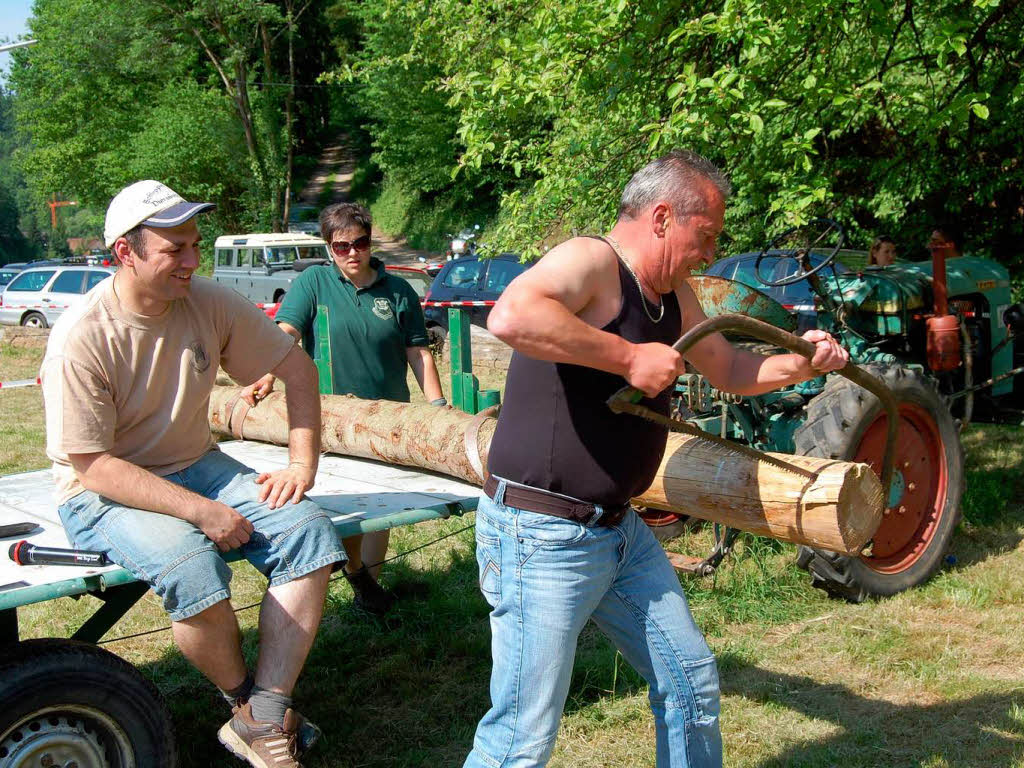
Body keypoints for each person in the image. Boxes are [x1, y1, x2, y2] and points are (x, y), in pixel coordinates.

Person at [463, 150, 849, 768]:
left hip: (618, 532)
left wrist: (802, 363)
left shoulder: (675, 296)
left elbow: (731, 369)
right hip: (541, 534)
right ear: (664, 217)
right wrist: (627, 357)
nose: (711, 253)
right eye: (707, 235)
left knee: (689, 682)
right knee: (521, 737)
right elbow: (511, 314)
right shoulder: (592, 261)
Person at [41, 180, 345, 768]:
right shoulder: (82, 337)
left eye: (193, 245)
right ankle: (242, 705)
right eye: (173, 249)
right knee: (192, 567)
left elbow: (300, 374)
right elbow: (93, 465)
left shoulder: (209, 300)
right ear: (123, 253)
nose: (191, 260)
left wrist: (302, 464)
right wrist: (199, 511)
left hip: (196, 464)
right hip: (101, 489)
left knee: (308, 530)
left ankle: (263, 711)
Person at [241, 202, 444, 614]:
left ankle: (371, 582)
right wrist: (265, 374)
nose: (352, 252)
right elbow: (287, 332)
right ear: (328, 247)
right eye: (341, 246)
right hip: (331, 419)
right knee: (351, 505)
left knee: (381, 505)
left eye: (360, 243)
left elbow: (418, 353)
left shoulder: (399, 290)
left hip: (389, 418)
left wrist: (438, 405)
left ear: (370, 241)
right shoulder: (314, 282)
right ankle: (357, 576)